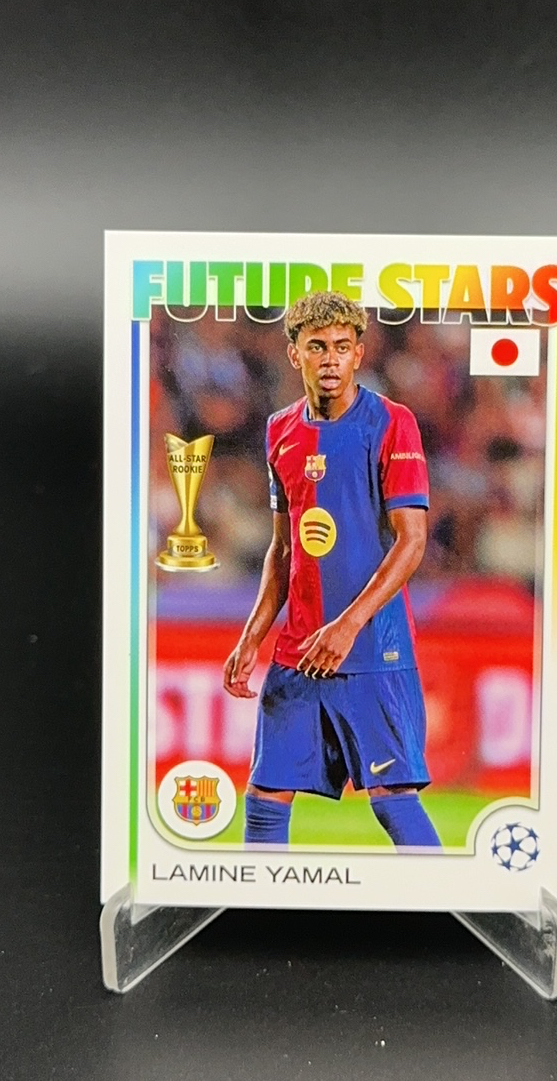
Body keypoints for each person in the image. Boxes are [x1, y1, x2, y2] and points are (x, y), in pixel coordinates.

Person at [223, 290, 440, 849]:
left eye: (342, 347)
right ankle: (258, 899)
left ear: (359, 354)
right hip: (299, 650)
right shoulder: (279, 430)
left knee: (392, 798)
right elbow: (283, 548)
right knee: (265, 798)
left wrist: (347, 626)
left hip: (372, 649)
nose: (330, 359)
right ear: (294, 353)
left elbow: (412, 541)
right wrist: (252, 635)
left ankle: (446, 897)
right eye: (317, 346)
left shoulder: (391, 423)